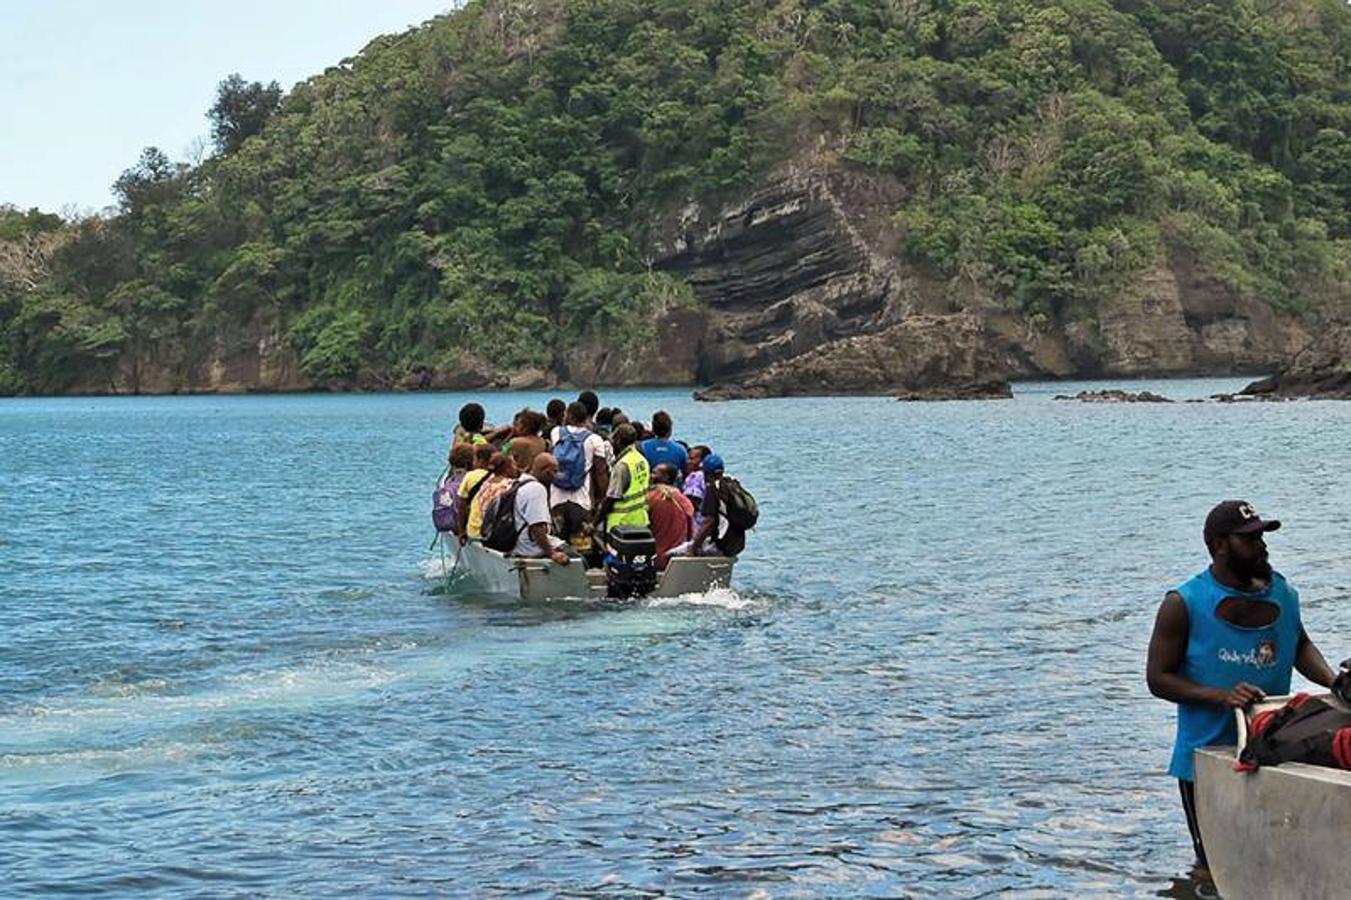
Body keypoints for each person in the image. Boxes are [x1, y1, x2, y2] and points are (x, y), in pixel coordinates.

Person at [1146, 500, 1336, 868]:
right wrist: (1221, 696)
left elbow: (1298, 644)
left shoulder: (1282, 593)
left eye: (1262, 536)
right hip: (1206, 761)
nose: (1262, 545)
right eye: (1249, 539)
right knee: (1215, 866)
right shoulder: (1183, 603)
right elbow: (1158, 679)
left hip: (1273, 751)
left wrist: (1333, 680)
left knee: (1275, 861)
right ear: (1219, 545)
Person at [549, 401, 610, 546]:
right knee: (581, 545)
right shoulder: (595, 440)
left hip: (556, 498)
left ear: (568, 415)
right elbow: (600, 472)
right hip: (581, 499)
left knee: (558, 542)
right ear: (586, 418)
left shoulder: (556, 432)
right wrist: (603, 499)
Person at [510, 454, 573, 564]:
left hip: (517, 543)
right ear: (547, 471)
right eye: (554, 472)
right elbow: (537, 527)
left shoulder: (519, 483)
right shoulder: (536, 489)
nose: (555, 477)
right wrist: (552, 553)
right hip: (530, 548)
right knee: (577, 558)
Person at [593, 424, 650, 536]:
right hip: (640, 520)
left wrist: (594, 524)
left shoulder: (622, 465)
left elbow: (611, 499)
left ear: (618, 441)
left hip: (621, 523)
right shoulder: (641, 460)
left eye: (613, 440)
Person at [691, 453, 746, 557]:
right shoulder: (732, 483)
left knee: (674, 553)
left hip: (721, 543)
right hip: (737, 543)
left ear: (706, 472)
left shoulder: (713, 489)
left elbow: (708, 522)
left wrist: (693, 548)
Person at [647, 463, 694, 570]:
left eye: (654, 473)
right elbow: (691, 525)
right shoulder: (683, 499)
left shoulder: (651, 497)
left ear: (666, 477)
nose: (650, 475)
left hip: (656, 558)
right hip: (678, 558)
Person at [464, 452, 518, 541]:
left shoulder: (486, 483)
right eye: (514, 465)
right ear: (507, 469)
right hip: (486, 533)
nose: (516, 468)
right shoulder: (507, 486)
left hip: (473, 530)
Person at [455, 443, 496, 541]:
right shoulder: (497, 477)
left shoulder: (470, 476)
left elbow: (462, 507)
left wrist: (461, 532)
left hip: (474, 531)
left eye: (474, 459)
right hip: (493, 532)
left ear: (480, 461)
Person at [639, 410, 688, 477]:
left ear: (653, 429)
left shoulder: (642, 447)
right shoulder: (680, 450)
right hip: (672, 486)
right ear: (670, 429)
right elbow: (685, 473)